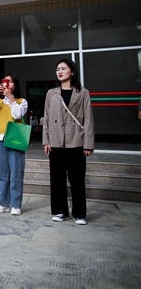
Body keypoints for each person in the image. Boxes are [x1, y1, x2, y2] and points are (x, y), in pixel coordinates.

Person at [43, 59, 94, 225]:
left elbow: (88, 119)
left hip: (76, 141)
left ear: (72, 71)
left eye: (63, 68)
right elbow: (47, 118)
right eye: (57, 69)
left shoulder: (83, 92)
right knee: (57, 180)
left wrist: (88, 143)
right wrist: (46, 141)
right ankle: (60, 211)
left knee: (77, 180)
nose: (59, 71)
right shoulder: (52, 93)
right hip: (56, 141)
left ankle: (79, 214)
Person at [0, 74, 28, 216]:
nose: (7, 84)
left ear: (15, 85)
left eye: (10, 82)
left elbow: (17, 115)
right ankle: (3, 203)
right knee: (2, 173)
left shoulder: (21, 101)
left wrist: (11, 98)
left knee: (16, 172)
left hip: (14, 138)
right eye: (5, 82)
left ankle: (15, 204)